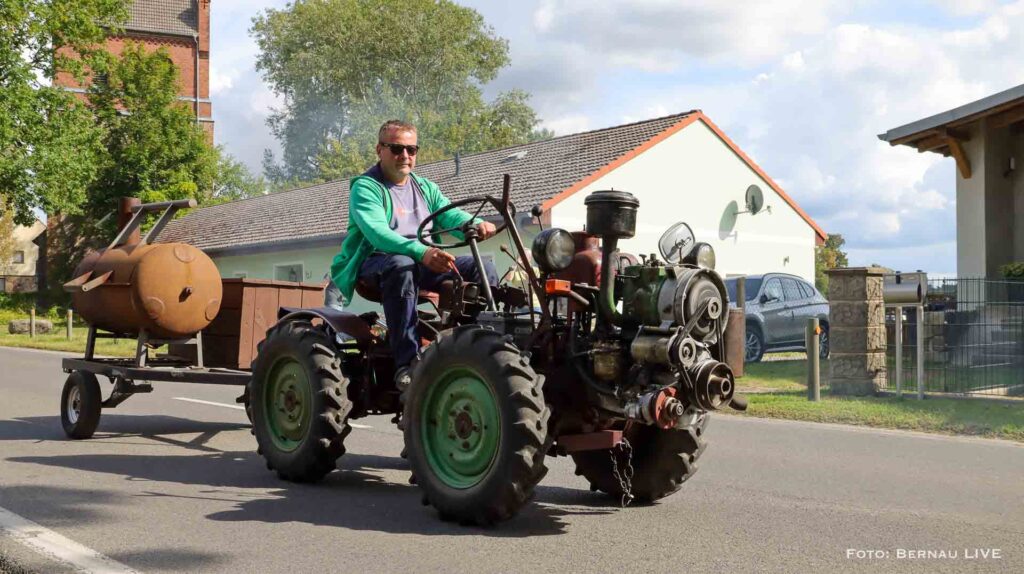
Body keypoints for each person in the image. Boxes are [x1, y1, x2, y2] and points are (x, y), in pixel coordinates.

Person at [329, 120, 498, 389]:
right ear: (379, 150)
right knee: (401, 264)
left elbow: (448, 214)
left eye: (411, 149)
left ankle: (479, 346)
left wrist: (473, 224)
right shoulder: (366, 187)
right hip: (376, 263)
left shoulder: (425, 187)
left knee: (482, 267)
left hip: (422, 259)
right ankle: (406, 363)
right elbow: (377, 233)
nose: (405, 156)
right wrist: (421, 251)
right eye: (396, 148)